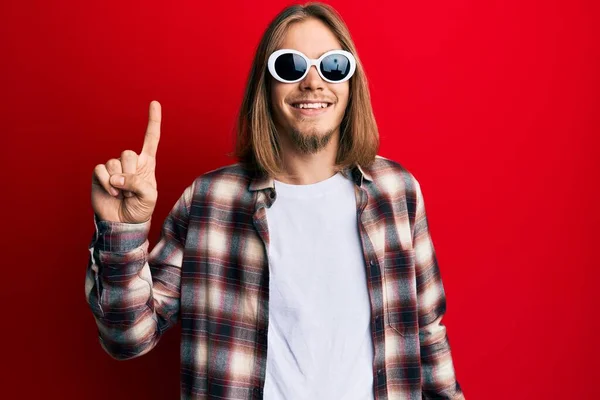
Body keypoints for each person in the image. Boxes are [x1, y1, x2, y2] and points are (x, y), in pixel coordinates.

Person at [85, 3, 465, 399]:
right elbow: (126, 337)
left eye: (333, 65)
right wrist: (124, 230)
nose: (313, 83)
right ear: (265, 87)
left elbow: (427, 331)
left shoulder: (396, 192)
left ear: (352, 83)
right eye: (290, 66)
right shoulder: (210, 202)